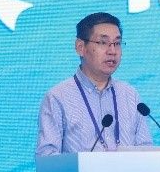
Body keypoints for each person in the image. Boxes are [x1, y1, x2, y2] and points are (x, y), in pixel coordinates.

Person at [36, 12, 152, 155]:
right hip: (80, 171)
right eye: (103, 42)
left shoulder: (130, 95)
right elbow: (47, 158)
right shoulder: (57, 98)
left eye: (117, 43)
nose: (112, 51)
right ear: (80, 47)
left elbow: (146, 151)